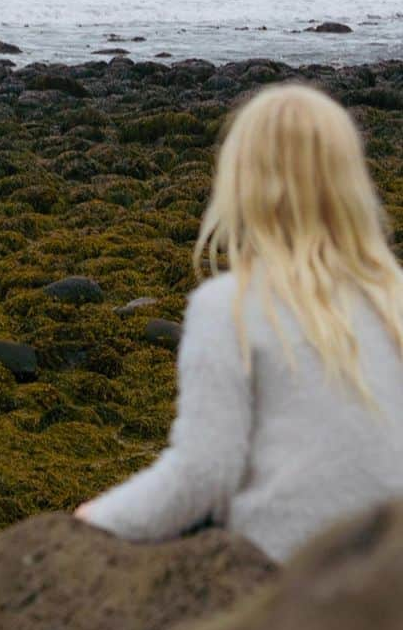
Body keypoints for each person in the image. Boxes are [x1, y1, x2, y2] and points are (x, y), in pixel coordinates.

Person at [75, 83, 403, 562]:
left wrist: (93, 519)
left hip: (285, 577)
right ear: (351, 181)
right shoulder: (394, 298)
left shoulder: (231, 306)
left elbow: (204, 473)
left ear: (243, 183)